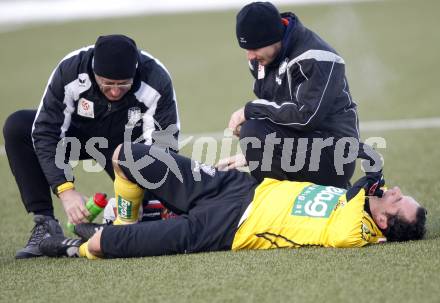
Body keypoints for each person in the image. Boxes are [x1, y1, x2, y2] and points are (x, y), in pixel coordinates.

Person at [39, 142, 427, 259]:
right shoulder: (363, 202)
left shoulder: (355, 230)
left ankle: (75, 247)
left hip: (228, 228)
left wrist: (371, 180)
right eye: (398, 192)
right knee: (128, 156)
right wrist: (375, 184)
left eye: (397, 201)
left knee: (103, 246)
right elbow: (362, 188)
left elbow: (356, 201)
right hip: (238, 189)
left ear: (383, 225)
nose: (394, 192)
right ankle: (123, 220)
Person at [3, 34, 180, 259]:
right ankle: (45, 224)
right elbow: (46, 132)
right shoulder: (71, 70)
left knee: (144, 212)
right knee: (18, 127)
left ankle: (117, 225)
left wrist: (136, 192)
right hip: (77, 136)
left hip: (126, 146)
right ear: (94, 73)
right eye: (107, 83)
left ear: (135, 73)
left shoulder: (155, 78)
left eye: (123, 84)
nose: (115, 91)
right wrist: (66, 191)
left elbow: (163, 146)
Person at [223, 2, 359, 188]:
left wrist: (252, 110)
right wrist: (253, 154)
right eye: (246, 49)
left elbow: (305, 117)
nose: (250, 56)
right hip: (304, 147)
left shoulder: (316, 57)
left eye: (254, 48)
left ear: (273, 37)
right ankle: (282, 204)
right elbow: (276, 116)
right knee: (254, 129)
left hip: (336, 157)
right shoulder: (261, 60)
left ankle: (279, 204)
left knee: (253, 129)